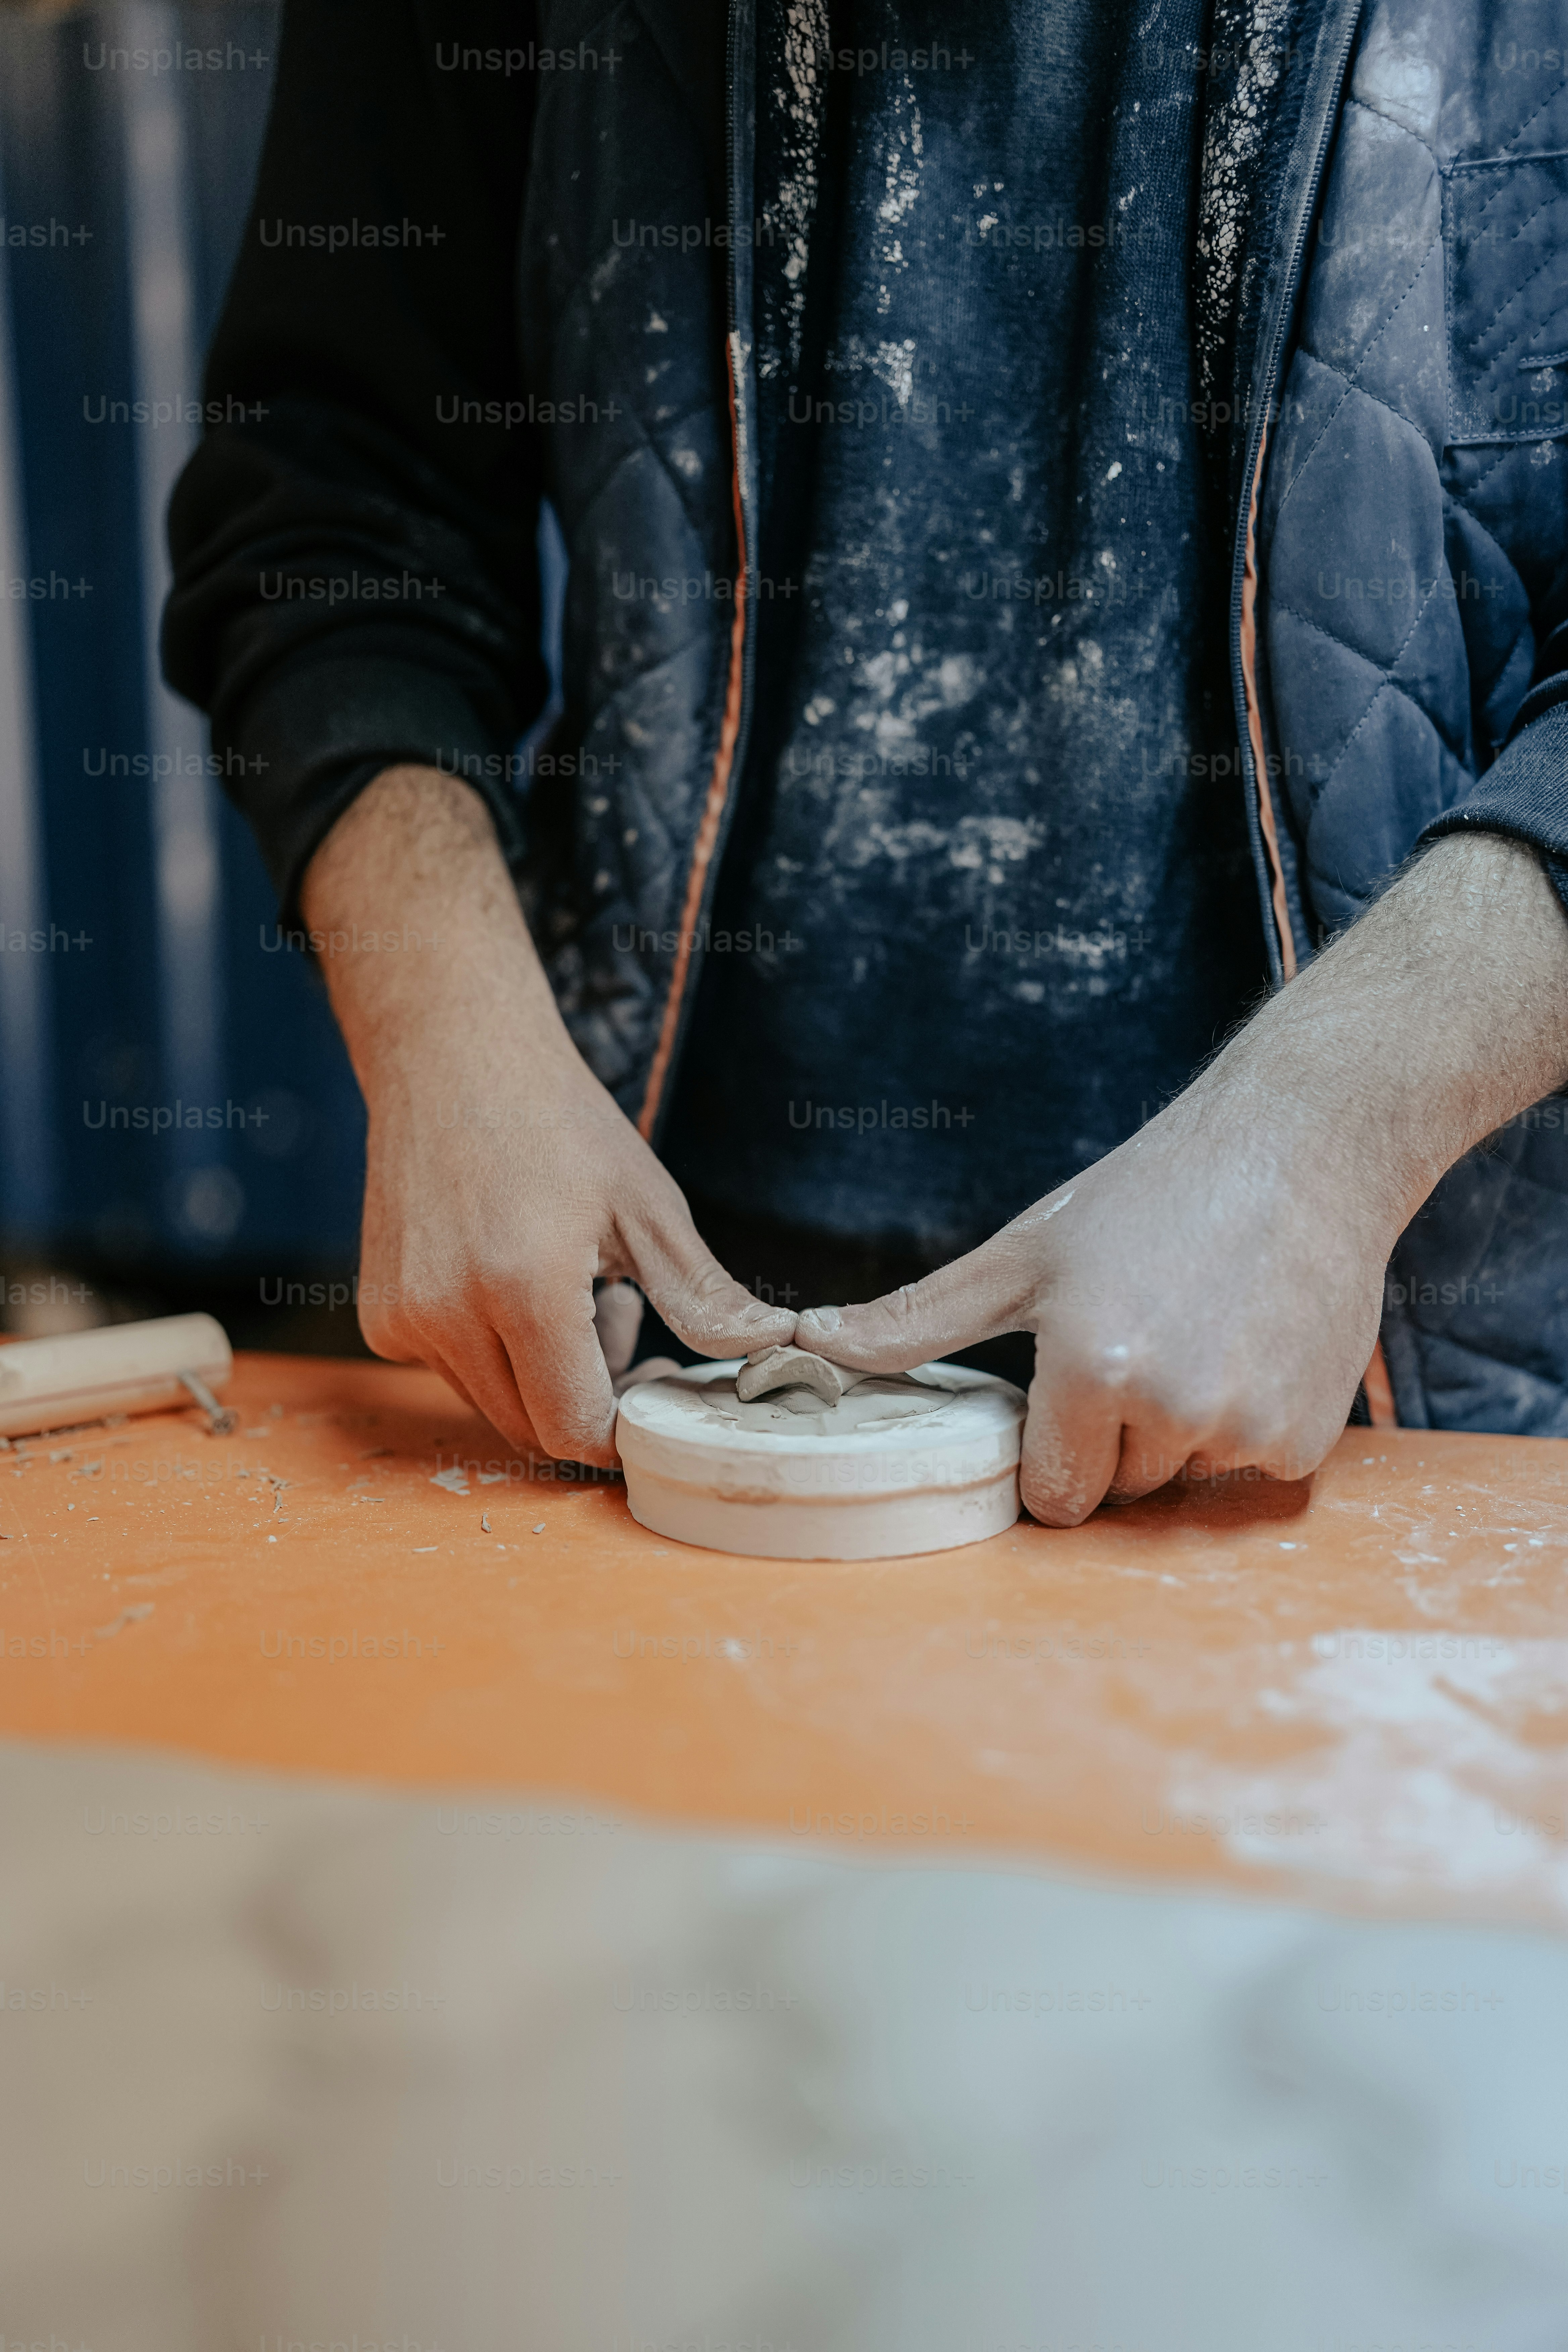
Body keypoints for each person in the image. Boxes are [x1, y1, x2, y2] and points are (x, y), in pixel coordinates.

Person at [164, 0, 1568, 1523]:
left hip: (1401, 1365)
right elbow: (337, 511)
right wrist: (441, 1020)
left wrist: (1337, 1125)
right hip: (650, 1353)